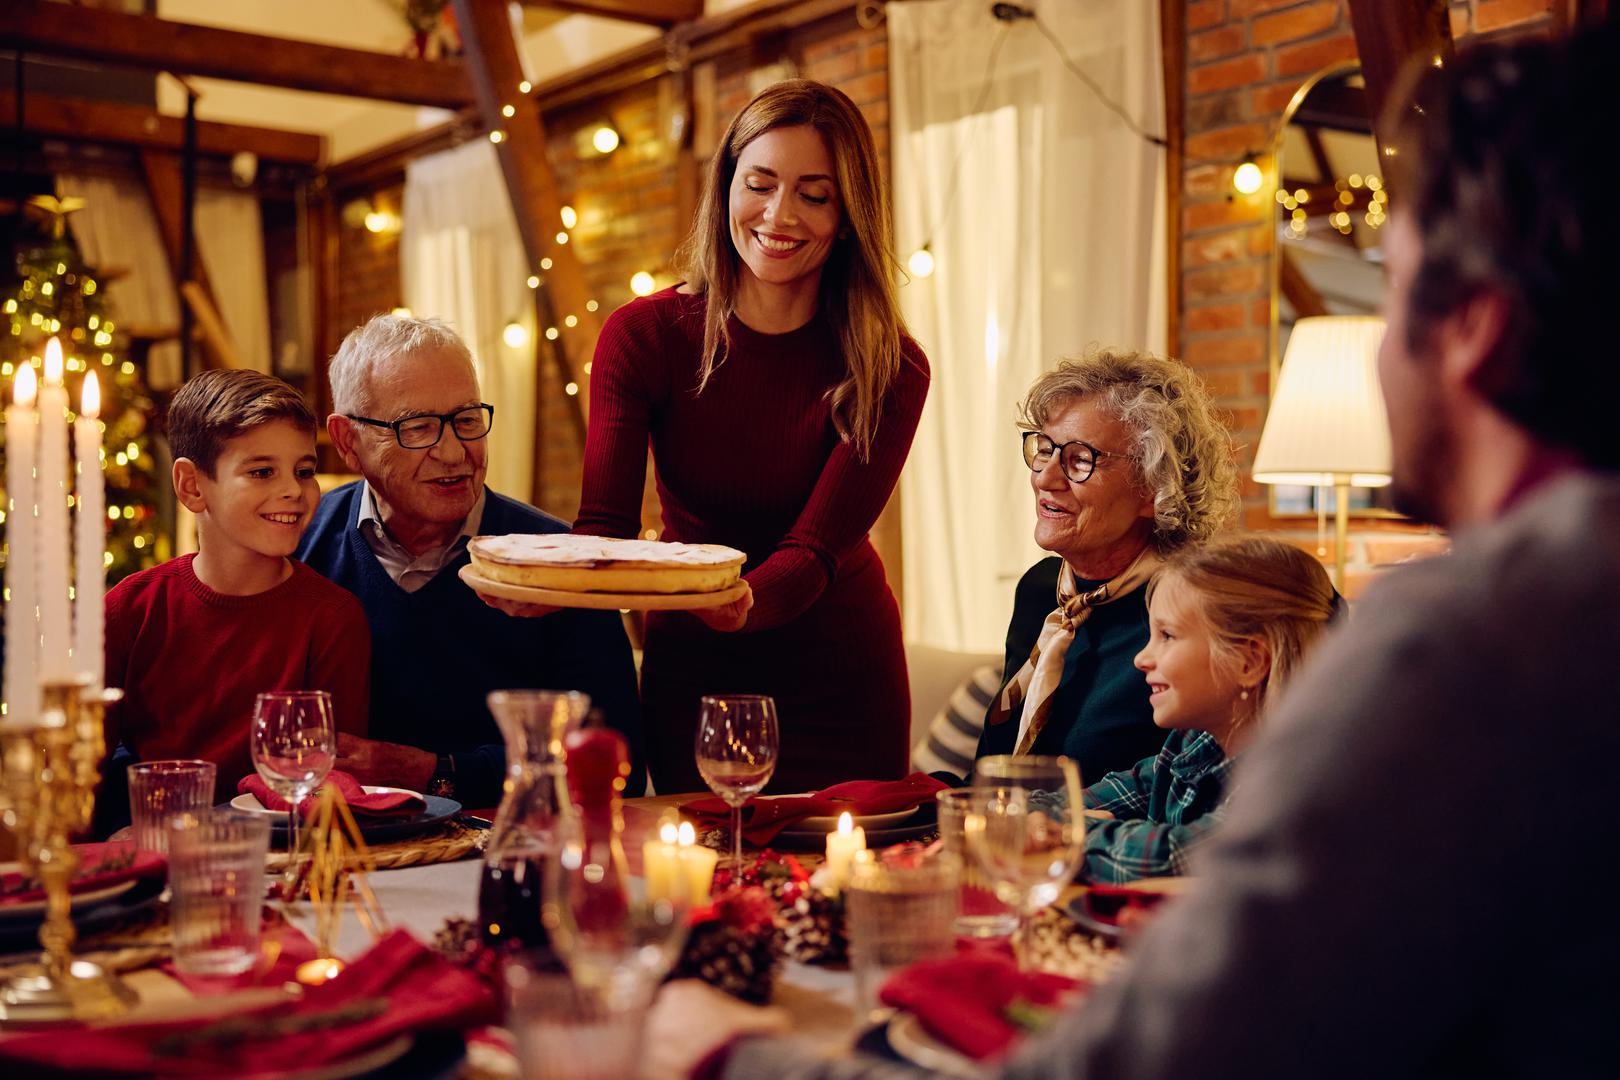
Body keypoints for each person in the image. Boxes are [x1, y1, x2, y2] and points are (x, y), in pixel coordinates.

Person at [646, 22, 1620, 1076]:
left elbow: (1159, 1047)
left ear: (1473, 329)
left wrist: (731, 1055)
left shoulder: (1470, 650)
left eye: (1392, 294)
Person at [492, 80, 929, 794]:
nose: (779, 215)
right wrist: (559, 587)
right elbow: (605, 524)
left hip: (841, 675)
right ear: (725, 186)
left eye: (814, 195)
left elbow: (814, 551)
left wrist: (740, 600)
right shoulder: (644, 337)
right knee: (703, 885)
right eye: (759, 184)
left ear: (849, 214)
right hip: (695, 667)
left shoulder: (893, 364)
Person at [297, 314, 644, 807]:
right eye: (417, 427)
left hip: (514, 851)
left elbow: (613, 760)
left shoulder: (560, 560)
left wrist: (438, 773)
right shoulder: (300, 549)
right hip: (348, 854)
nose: (453, 451)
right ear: (350, 442)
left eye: (465, 420)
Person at [101, 370, 370, 818]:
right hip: (154, 855)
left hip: (282, 856)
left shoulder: (333, 618)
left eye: (304, 471)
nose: (293, 490)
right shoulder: (130, 609)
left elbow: (329, 787)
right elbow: (82, 775)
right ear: (192, 486)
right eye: (262, 471)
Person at [976, 348, 1239, 785]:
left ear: (1155, 489)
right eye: (1044, 449)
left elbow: (1176, 793)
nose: (1044, 478)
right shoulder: (1042, 589)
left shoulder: (1191, 610)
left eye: (1079, 459)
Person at [1081, 537, 1334, 883]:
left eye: (1166, 635)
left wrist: (1070, 836)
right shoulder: (1190, 750)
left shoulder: (1301, 780)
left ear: (1249, 661)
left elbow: (1173, 855)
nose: (1141, 658)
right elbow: (1070, 801)